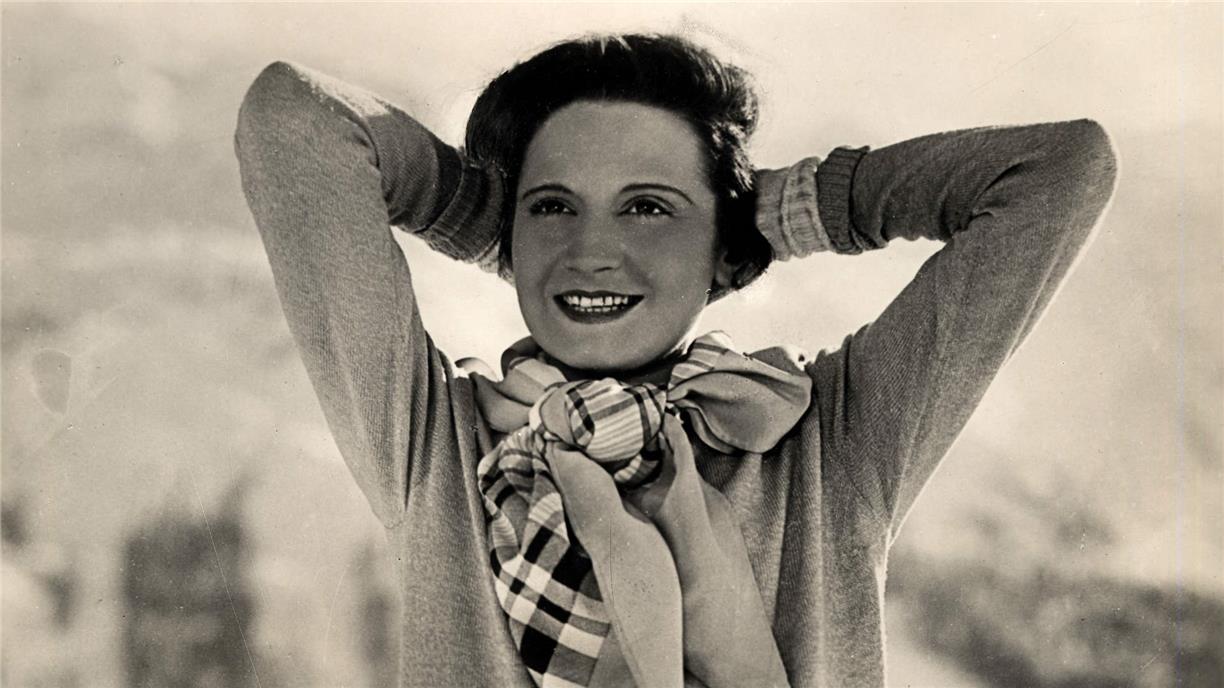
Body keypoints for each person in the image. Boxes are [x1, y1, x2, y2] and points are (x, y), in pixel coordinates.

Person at [235, 33, 1117, 688]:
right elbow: (294, 117)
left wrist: (783, 215)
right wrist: (486, 216)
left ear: (723, 255)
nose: (591, 252)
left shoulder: (826, 442)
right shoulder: (440, 446)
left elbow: (1059, 171)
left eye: (648, 208)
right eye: (554, 208)